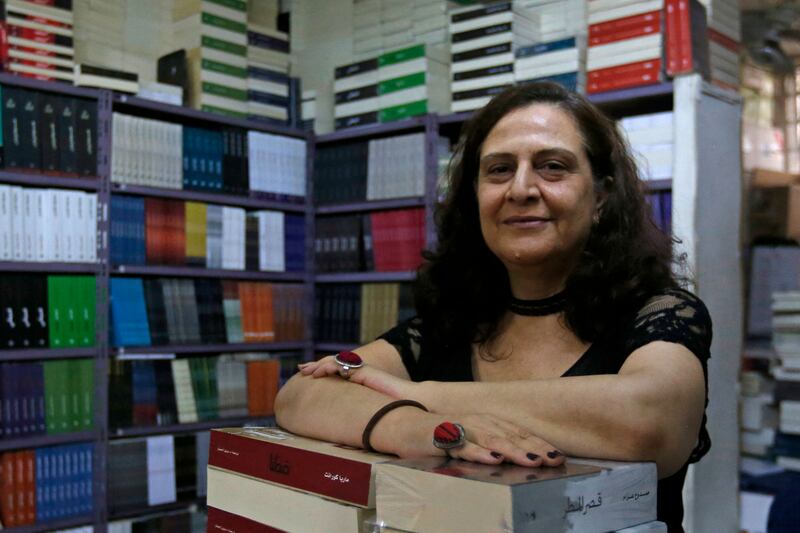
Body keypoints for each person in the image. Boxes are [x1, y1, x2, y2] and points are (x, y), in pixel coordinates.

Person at [275, 82, 711, 531]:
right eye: (499, 170)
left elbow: (652, 421)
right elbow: (300, 395)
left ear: (600, 195)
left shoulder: (661, 312)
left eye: (553, 167)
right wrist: (415, 426)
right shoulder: (452, 323)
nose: (521, 189)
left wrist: (423, 395)